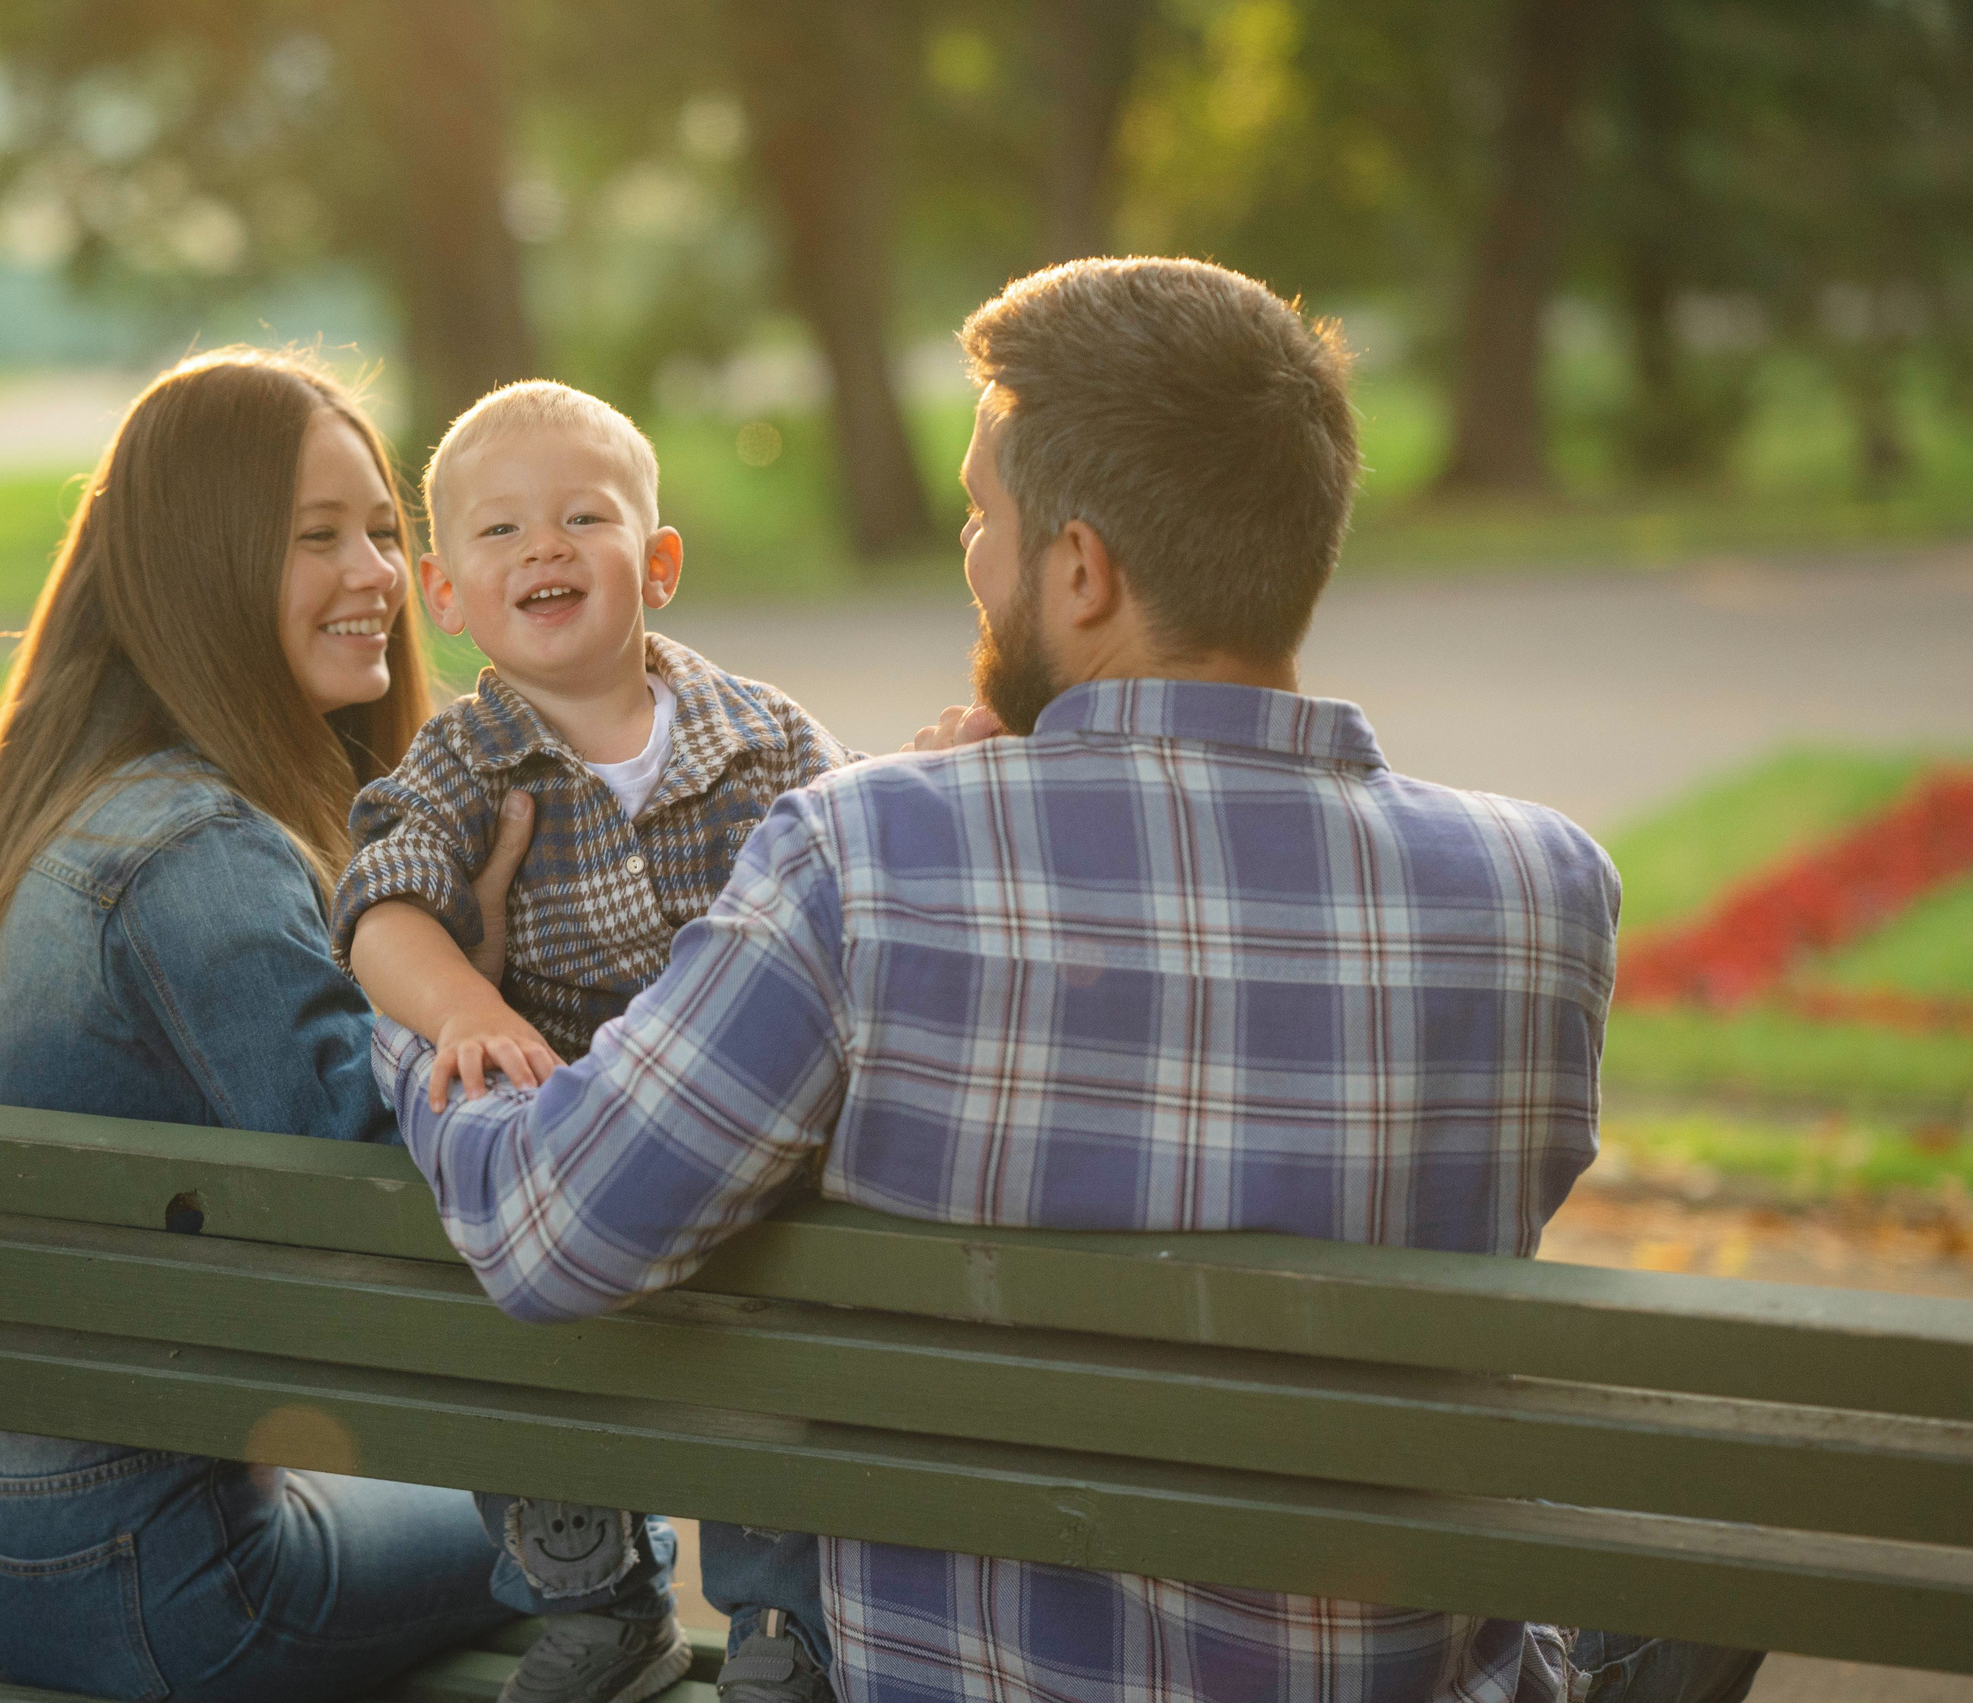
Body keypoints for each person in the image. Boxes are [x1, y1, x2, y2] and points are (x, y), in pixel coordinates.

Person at [351, 260, 1769, 1703]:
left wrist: (440, 1010)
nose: (971, 557)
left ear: (1081, 571)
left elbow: (554, 1234)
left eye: (984, 517)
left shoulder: (864, 858)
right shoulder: (1544, 893)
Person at [0, 347, 545, 1703]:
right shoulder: (200, 855)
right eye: (317, 537)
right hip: (151, 1580)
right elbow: (401, 1211)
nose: (376, 573)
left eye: (382, 530)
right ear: (202, 567)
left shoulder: (85, 798)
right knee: (602, 1530)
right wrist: (462, 986)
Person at [331, 380, 851, 1703]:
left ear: (657, 564)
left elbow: (864, 887)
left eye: (582, 518)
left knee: (778, 1383)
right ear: (445, 593)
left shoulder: (768, 739)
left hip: (748, 1148)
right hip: (559, 1139)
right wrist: (463, 1006)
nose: (543, 549)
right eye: (500, 531)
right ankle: (601, 1604)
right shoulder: (463, 764)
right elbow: (381, 908)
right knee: (514, 1353)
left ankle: (784, 1625)